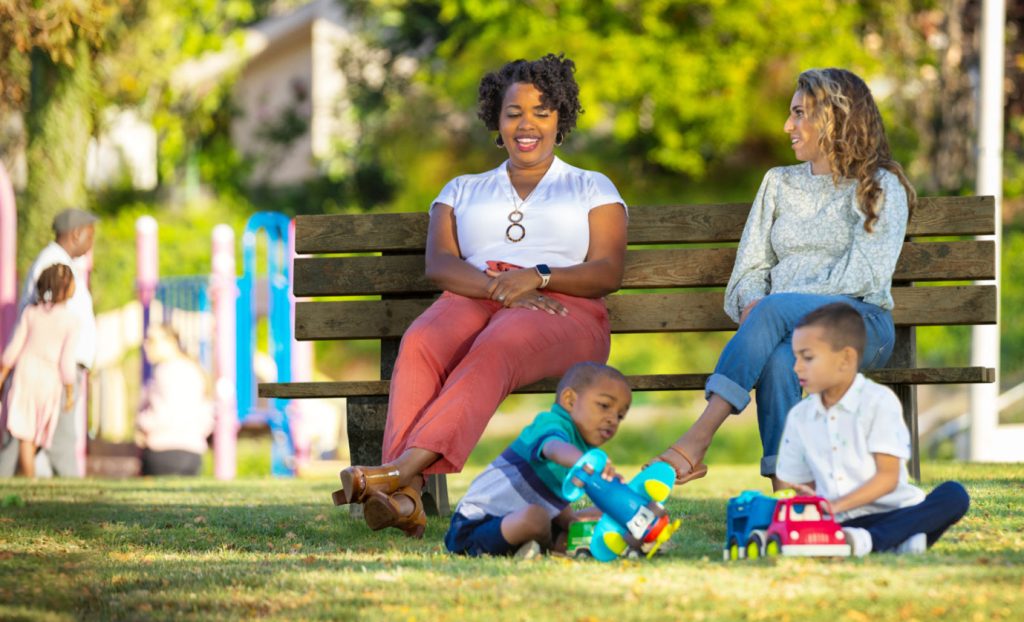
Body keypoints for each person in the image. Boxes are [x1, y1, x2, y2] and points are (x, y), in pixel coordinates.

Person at [331, 53, 628, 537]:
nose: (526, 125)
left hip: (562, 306)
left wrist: (538, 276)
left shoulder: (590, 186)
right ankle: (406, 498)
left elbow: (607, 271)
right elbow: (440, 265)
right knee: (422, 340)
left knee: (500, 343)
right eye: (514, 113)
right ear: (497, 119)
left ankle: (397, 472)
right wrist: (502, 288)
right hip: (476, 295)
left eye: (541, 112)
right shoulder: (461, 189)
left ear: (561, 119)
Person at [650, 68, 918, 488]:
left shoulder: (880, 186)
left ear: (834, 118)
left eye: (799, 114)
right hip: (787, 331)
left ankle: (697, 440)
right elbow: (749, 270)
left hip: (860, 325)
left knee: (775, 311)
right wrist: (753, 304)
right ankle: (789, 491)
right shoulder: (778, 182)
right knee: (779, 361)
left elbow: (864, 275)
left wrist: (777, 308)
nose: (787, 126)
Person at [776, 302, 970, 555]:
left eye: (808, 357)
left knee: (954, 495)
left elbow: (888, 478)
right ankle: (900, 540)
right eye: (796, 357)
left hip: (896, 512)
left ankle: (874, 540)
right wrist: (806, 499)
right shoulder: (799, 416)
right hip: (840, 524)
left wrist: (836, 505)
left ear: (846, 358)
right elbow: (797, 484)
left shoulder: (878, 401)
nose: (797, 367)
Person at [445, 362, 630, 556]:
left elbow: (553, 496)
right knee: (535, 518)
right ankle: (547, 546)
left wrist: (604, 496)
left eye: (620, 415)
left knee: (593, 516)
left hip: (523, 521)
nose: (612, 419)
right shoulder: (550, 425)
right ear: (570, 400)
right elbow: (554, 448)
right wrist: (584, 461)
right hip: (475, 526)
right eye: (604, 406)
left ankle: (540, 544)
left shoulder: (581, 448)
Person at [0, 207, 97, 477]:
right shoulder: (54, 266)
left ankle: (15, 478)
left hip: (36, 370)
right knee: (56, 435)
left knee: (20, 430)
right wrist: (69, 385)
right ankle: (70, 484)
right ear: (76, 233)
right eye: (90, 235)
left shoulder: (60, 263)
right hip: (53, 372)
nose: (91, 242)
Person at [0, 264, 80, 477]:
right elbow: (66, 362)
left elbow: (13, 349)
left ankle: (26, 474)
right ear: (65, 288)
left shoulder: (31, 312)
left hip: (25, 375)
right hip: (49, 380)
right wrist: (69, 391)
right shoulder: (71, 321)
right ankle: (29, 478)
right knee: (34, 433)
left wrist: (3, 374)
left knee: (25, 433)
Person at [135, 324, 214, 476]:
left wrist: (143, 424)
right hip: (193, 450)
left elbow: (165, 413)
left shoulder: (166, 371)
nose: (146, 346)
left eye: (152, 340)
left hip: (164, 448)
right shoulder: (195, 369)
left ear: (170, 342)